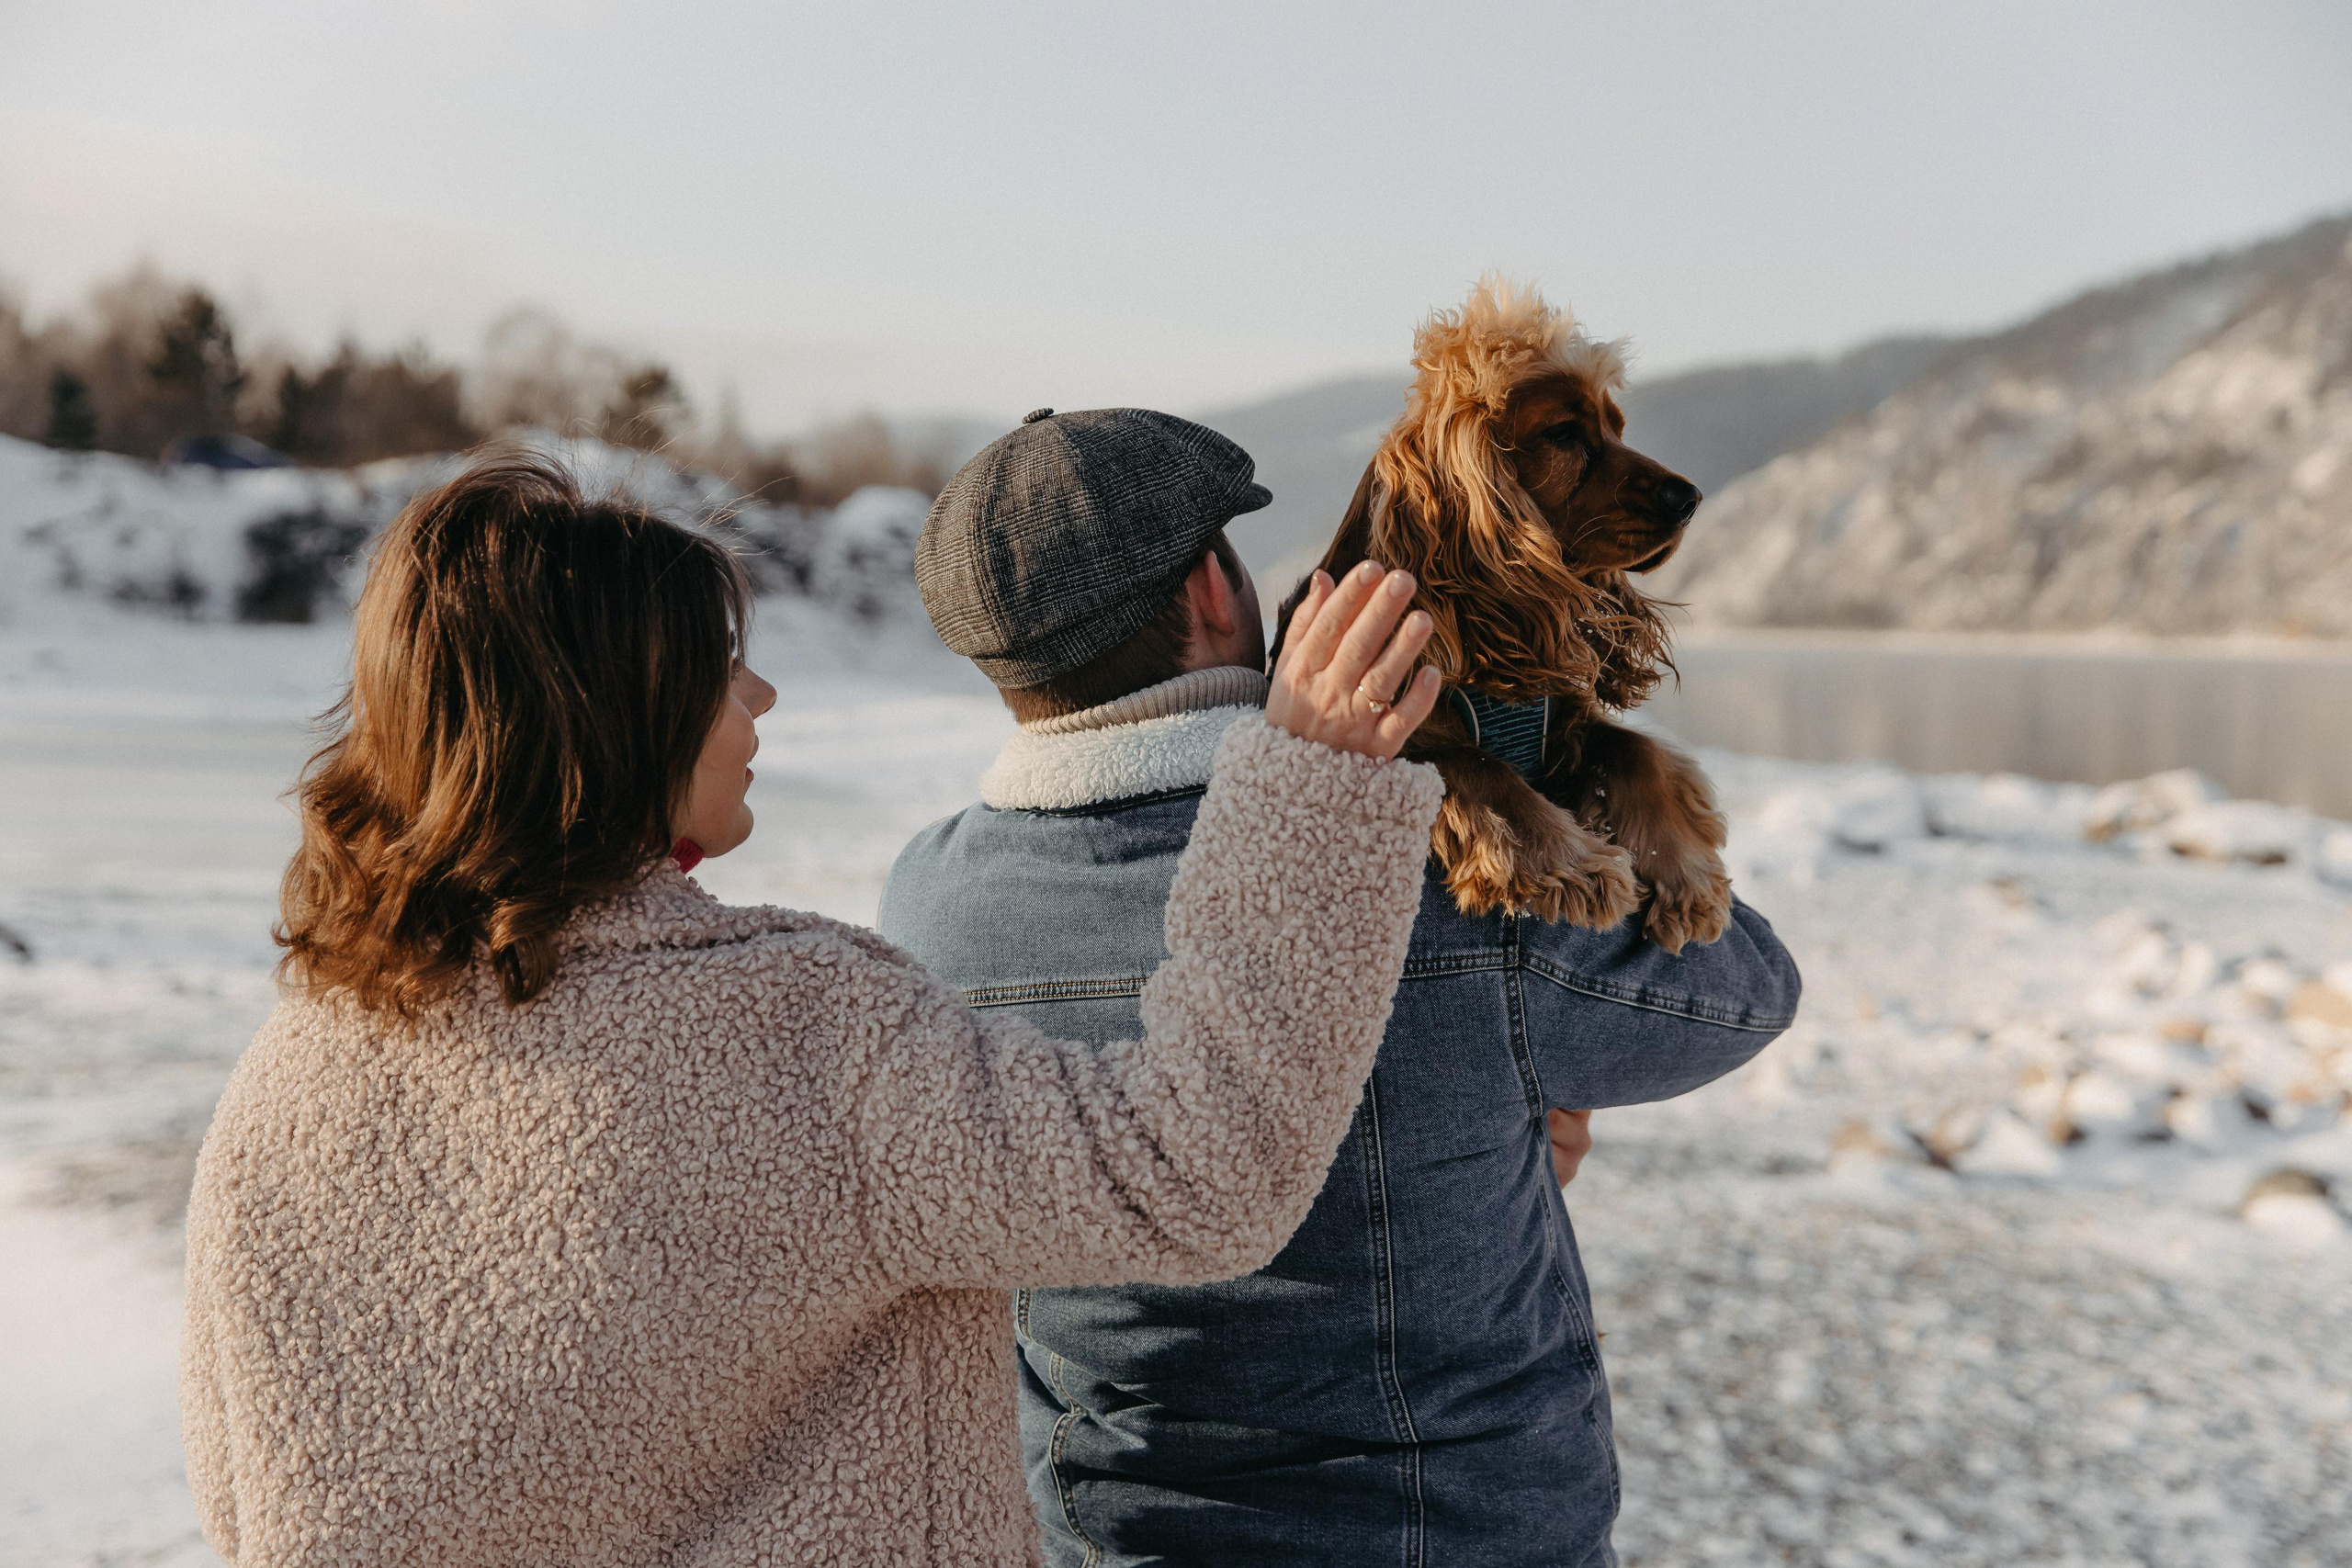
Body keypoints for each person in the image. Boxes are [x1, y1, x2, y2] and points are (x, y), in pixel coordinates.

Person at [178, 450, 1453, 1566]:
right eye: (721, 668)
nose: (762, 699)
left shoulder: (285, 1080)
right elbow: (1195, 1165)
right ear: (619, 719)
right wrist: (1315, 784)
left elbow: (248, 1499)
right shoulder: (799, 1036)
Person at [879, 408, 1804, 1567]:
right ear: (1218, 590)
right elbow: (1739, 990)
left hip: (1103, 1537)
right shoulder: (1422, 869)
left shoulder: (925, 906)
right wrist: (1548, 768)